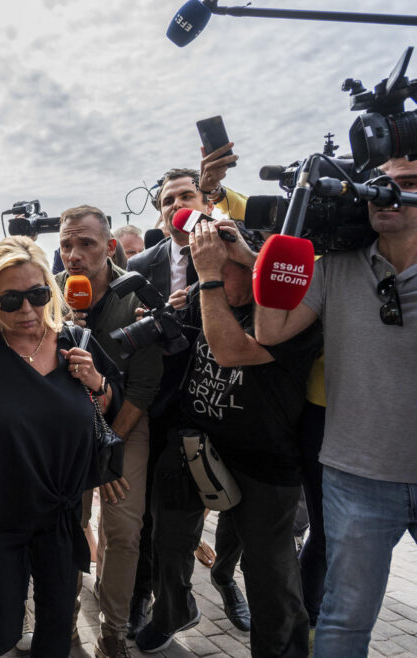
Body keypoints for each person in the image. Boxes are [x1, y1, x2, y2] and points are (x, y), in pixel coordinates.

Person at [254, 157, 417, 657]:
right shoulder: (334, 271)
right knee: (343, 620)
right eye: (379, 184)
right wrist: (283, 243)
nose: (387, 195)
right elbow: (270, 330)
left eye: (406, 185)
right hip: (356, 477)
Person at [135, 219, 320, 656]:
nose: (210, 272)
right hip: (195, 446)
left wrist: (215, 274)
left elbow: (230, 350)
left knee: (271, 574)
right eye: (206, 262)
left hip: (266, 461)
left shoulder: (292, 313)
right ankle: (173, 613)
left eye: (224, 264)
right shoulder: (205, 293)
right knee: (169, 542)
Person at [0, 236, 122, 658]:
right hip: (0, 516)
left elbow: (108, 404)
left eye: (37, 294)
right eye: (11, 299)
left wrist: (97, 383)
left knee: (56, 630)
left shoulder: (76, 341)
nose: (27, 310)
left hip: (61, 514)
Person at [126, 150, 251, 638]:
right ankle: (151, 598)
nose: (175, 205)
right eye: (166, 200)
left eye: (186, 195)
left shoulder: (233, 245)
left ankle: (224, 575)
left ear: (205, 202)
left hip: (235, 403)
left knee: (241, 514)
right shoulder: (139, 263)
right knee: (157, 519)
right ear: (158, 214)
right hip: (164, 409)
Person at [56, 206, 162, 658]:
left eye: (86, 244)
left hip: (125, 424)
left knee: (122, 529)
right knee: (69, 524)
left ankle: (114, 632)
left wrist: (109, 451)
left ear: (111, 247)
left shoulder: (136, 294)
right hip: (68, 427)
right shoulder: (51, 295)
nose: (74, 255)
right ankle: (63, 615)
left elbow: (144, 387)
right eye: (66, 245)